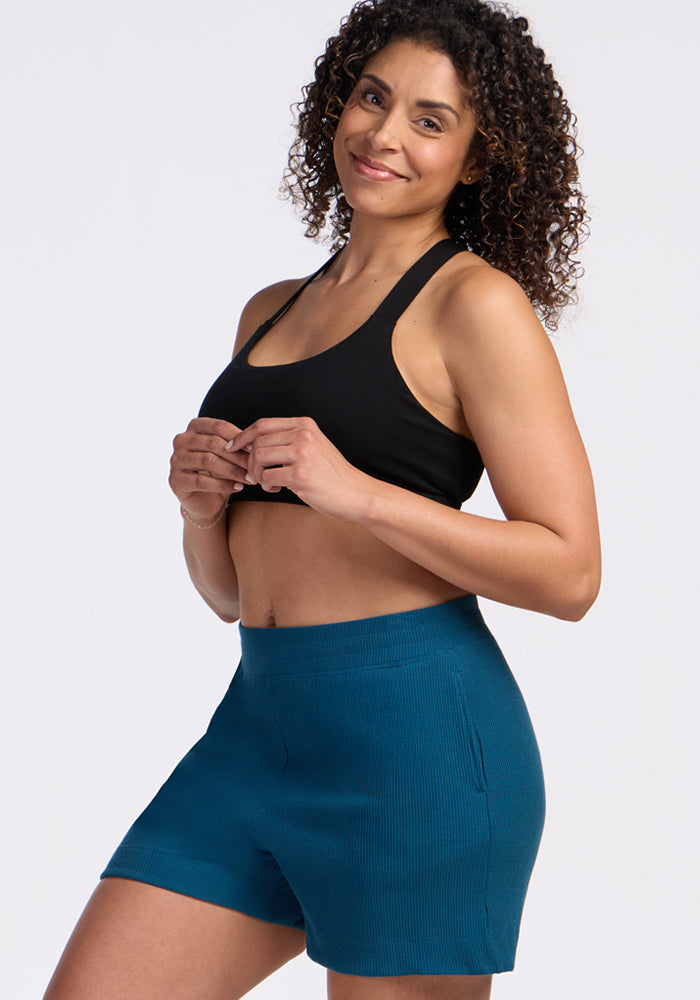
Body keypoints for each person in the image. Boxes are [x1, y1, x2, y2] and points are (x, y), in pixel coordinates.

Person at [43, 0, 600, 997]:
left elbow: (570, 570)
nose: (383, 135)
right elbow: (226, 595)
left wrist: (360, 495)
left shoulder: (476, 306)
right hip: (256, 733)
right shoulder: (270, 310)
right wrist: (199, 507)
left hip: (417, 756)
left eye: (430, 120)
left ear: (475, 158)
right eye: (372, 97)